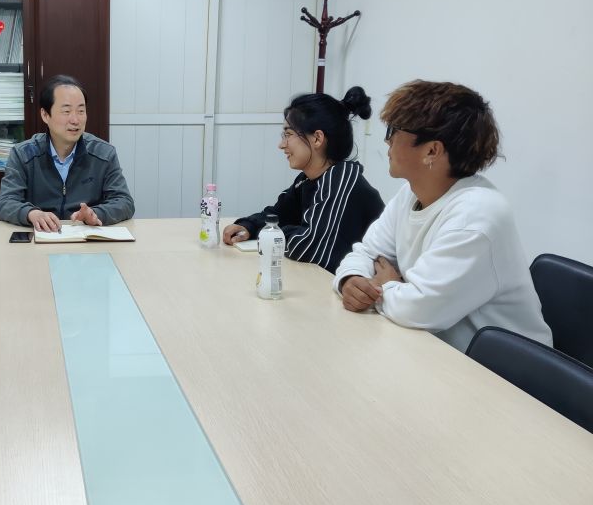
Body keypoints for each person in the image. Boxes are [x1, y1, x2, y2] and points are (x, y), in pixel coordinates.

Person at [333, 80, 551, 352]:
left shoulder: (477, 216)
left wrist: (386, 285)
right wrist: (352, 279)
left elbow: (418, 309)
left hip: (504, 368)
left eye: (393, 131)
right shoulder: (410, 193)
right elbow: (367, 253)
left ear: (431, 151)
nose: (387, 140)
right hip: (434, 350)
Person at [222, 87, 385, 273]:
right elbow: (278, 214)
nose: (282, 145)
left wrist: (271, 233)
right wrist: (248, 226)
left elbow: (309, 247)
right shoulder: (308, 179)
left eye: (288, 134)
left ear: (317, 138)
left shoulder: (341, 180)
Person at [0, 75, 135, 231]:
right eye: (66, 111)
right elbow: (5, 202)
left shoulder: (104, 153)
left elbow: (124, 202)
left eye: (81, 111)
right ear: (45, 115)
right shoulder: (23, 154)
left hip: (86, 237)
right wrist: (31, 213)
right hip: (42, 236)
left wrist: (95, 214)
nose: (75, 120)